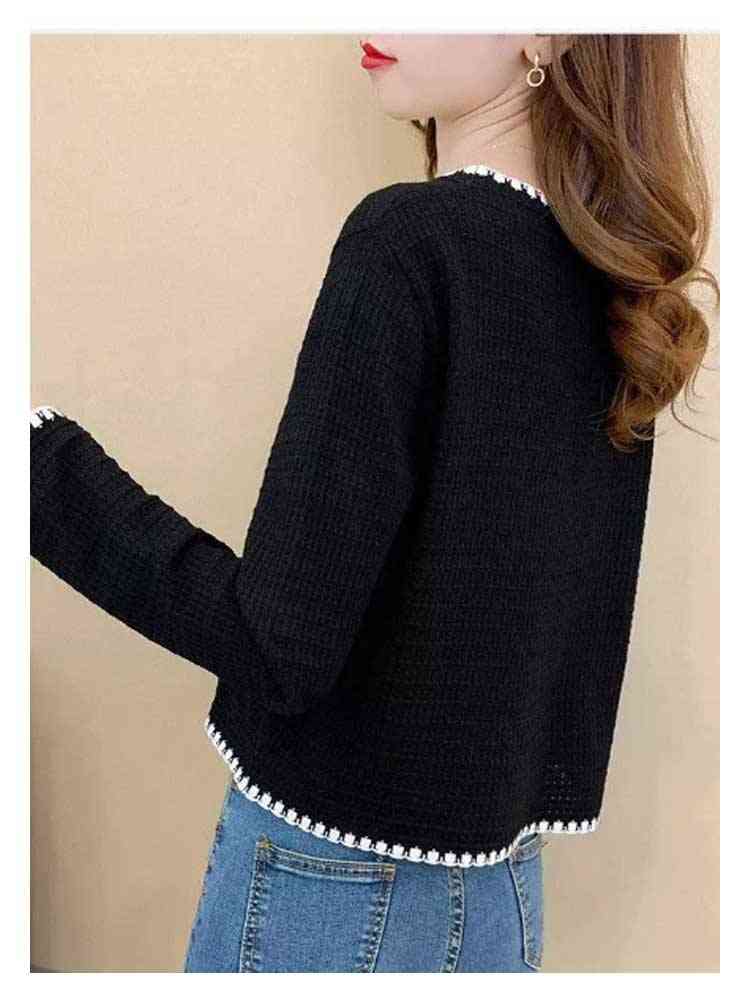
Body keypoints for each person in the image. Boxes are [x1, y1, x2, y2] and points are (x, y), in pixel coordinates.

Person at [30, 34, 718, 972]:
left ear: (546, 32)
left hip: (331, 890)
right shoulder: (619, 289)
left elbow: (276, 647)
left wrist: (41, 466)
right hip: (506, 897)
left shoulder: (410, 245)